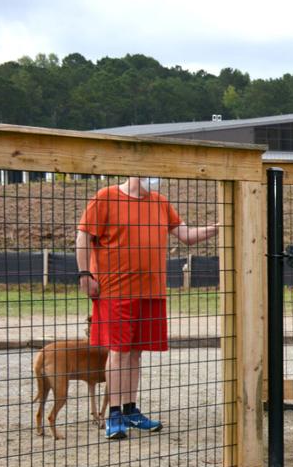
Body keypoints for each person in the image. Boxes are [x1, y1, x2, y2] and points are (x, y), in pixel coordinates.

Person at [76, 176, 218, 440]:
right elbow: (83, 236)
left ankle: (130, 409)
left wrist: (217, 227)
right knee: (117, 353)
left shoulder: (160, 202)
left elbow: (185, 235)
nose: (157, 179)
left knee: (136, 353)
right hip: (115, 290)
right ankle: (114, 415)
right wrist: (85, 274)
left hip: (150, 291)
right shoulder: (105, 197)